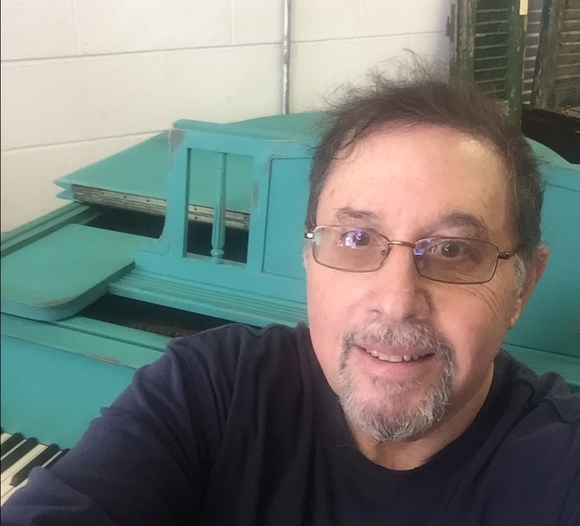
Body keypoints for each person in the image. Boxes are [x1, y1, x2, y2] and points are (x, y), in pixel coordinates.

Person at [3, 72, 579, 525]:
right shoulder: (209, 387)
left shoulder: (562, 465)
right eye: (356, 239)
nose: (398, 301)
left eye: (452, 250)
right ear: (307, 258)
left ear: (523, 286)